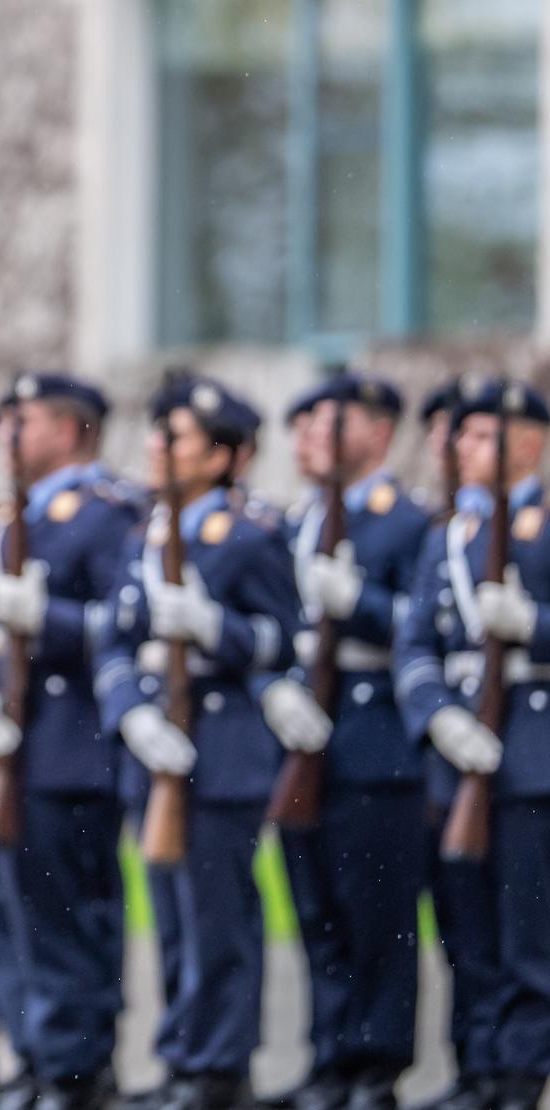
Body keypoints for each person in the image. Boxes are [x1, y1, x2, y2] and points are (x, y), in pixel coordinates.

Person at [92, 377, 301, 1110]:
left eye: (173, 437)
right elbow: (112, 641)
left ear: (221, 456)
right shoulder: (144, 530)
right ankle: (183, 1055)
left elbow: (285, 638)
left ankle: (220, 1066)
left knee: (219, 919)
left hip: (222, 748)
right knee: (175, 918)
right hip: (156, 747)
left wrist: (217, 628)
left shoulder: (251, 534)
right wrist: (130, 714)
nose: (155, 447)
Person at [0, 373, 140, 1108]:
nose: (8, 434)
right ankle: (30, 1054)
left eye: (23, 420)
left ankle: (77, 1065)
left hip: (67, 747)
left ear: (68, 428)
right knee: (6, 919)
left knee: (67, 919)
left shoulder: (107, 514)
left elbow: (128, 626)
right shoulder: (0, 517)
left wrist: (49, 617)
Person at [275, 373, 431, 1110]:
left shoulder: (405, 520)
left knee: (377, 919)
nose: (309, 435)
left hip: (375, 746)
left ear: (377, 431)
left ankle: (377, 1065)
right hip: (305, 745)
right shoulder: (296, 520)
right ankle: (330, 1056)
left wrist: (360, 605)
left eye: (329, 423)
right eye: (303, 424)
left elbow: (432, 628)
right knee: (318, 913)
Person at [393, 378, 550, 1110]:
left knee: (526, 935)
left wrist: (534, 624)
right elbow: (415, 642)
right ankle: (477, 1066)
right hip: (461, 759)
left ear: (528, 442)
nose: (465, 448)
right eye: (464, 436)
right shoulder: (449, 533)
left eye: (483, 434)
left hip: (529, 754)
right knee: (466, 931)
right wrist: (436, 717)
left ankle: (519, 1076)